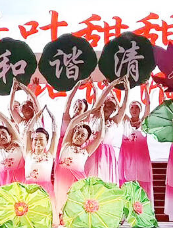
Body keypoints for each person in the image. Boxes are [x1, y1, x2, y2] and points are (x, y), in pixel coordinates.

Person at [54, 77, 127, 215]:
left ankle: (96, 211)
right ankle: (63, 212)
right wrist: (79, 86)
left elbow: (101, 111)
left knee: (91, 183)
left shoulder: (90, 123)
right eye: (76, 107)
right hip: (65, 152)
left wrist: (113, 87)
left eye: (81, 108)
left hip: (93, 154)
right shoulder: (73, 124)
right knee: (64, 184)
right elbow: (86, 107)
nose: (77, 109)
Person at [85, 78, 129, 183]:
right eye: (105, 104)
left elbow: (123, 108)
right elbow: (100, 100)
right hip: (92, 151)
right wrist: (111, 85)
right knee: (91, 180)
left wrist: (127, 90)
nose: (106, 107)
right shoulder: (95, 117)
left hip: (107, 155)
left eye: (110, 106)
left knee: (106, 181)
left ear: (114, 110)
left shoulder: (114, 121)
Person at [23, 107, 59, 225]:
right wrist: (36, 116)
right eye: (35, 139)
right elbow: (28, 132)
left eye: (41, 139)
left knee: (47, 220)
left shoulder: (50, 154)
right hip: (29, 188)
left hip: (46, 188)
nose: (38, 142)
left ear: (47, 141)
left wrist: (53, 119)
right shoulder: (28, 153)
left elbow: (55, 135)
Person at [119, 87, 154, 202]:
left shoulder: (144, 123)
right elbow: (120, 107)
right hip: (127, 161)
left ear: (140, 110)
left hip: (141, 161)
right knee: (127, 186)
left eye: (137, 107)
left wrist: (146, 88)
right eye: (132, 107)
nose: (134, 110)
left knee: (141, 186)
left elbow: (148, 105)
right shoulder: (125, 122)